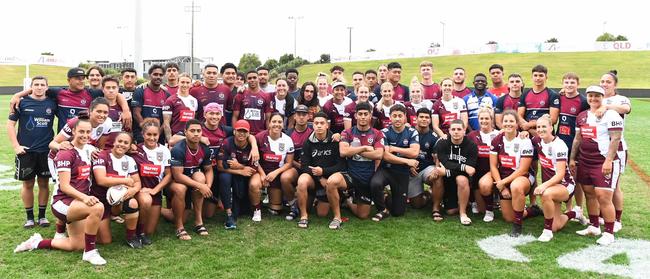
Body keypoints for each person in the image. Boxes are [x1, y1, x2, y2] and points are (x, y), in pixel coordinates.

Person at [14, 118, 106, 266]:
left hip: (78, 202)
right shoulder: (65, 153)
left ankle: (37, 242)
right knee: (97, 207)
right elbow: (64, 187)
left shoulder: (89, 149)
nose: (85, 134)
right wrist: (85, 198)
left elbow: (99, 154)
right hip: (62, 202)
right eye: (81, 131)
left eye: (88, 132)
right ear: (74, 131)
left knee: (76, 245)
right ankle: (90, 253)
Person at [571, 85, 623, 246]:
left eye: (597, 96)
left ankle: (609, 231)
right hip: (585, 160)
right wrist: (573, 158)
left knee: (603, 196)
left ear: (602, 97)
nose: (593, 99)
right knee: (589, 193)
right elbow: (578, 139)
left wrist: (608, 160)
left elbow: (615, 139)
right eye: (590, 96)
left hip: (603, 161)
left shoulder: (611, 114)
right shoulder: (581, 116)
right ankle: (594, 225)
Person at [10, 67, 131, 132]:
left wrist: (126, 110)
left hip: (84, 138)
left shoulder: (91, 93)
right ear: (69, 80)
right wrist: (18, 95)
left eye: (83, 78)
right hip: (64, 139)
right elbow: (38, 89)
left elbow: (115, 93)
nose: (81, 81)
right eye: (77, 78)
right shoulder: (59, 93)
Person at [8, 76, 57, 228]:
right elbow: (10, 125)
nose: (39, 87)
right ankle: (29, 217)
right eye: (36, 84)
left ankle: (42, 217)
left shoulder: (52, 103)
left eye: (42, 85)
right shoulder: (21, 102)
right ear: (31, 87)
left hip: (45, 151)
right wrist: (16, 146)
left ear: (47, 87)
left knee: (44, 183)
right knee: (28, 184)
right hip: (26, 151)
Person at [326, 102, 384, 227]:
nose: (363, 117)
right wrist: (365, 148)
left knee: (362, 215)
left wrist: (354, 151)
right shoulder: (347, 133)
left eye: (365, 114)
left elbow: (379, 155)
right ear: (355, 116)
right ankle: (337, 217)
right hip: (350, 174)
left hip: (367, 178)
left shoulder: (377, 134)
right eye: (360, 114)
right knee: (331, 182)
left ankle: (347, 200)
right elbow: (343, 152)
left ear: (370, 116)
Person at [481, 110, 535, 236]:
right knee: (508, 217)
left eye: (512, 121)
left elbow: (523, 169)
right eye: (506, 121)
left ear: (517, 124)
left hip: (523, 177)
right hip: (503, 177)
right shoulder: (497, 140)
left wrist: (502, 183)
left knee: (516, 186)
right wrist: (502, 187)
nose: (508, 124)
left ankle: (518, 225)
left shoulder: (524, 140)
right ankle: (532, 211)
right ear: (501, 123)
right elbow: (493, 166)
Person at [532, 114, 578, 242]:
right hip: (552, 186)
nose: (541, 129)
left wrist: (543, 185)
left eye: (544, 127)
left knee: (545, 194)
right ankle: (574, 213)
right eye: (538, 127)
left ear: (551, 127)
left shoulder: (559, 145)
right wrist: (523, 133)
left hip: (565, 184)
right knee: (555, 226)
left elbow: (560, 174)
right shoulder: (537, 141)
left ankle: (546, 232)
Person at [295, 112, 346, 228]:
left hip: (331, 179)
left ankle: (339, 199)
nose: (319, 126)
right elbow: (304, 166)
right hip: (315, 179)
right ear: (312, 125)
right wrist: (319, 177)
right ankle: (303, 217)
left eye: (322, 123)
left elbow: (341, 165)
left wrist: (323, 172)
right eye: (316, 123)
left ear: (327, 125)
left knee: (322, 214)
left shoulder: (335, 141)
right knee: (302, 181)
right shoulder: (308, 142)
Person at [370, 104, 419, 221]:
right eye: (394, 116)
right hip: (386, 169)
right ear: (390, 118)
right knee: (375, 184)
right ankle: (382, 209)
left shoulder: (412, 132)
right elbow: (386, 155)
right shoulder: (383, 132)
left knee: (398, 212)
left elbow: (415, 152)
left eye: (400, 116)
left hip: (401, 172)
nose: (397, 118)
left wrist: (395, 149)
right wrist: (407, 161)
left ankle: (386, 196)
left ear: (405, 117)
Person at [91, 132, 141, 248]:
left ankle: (131, 236)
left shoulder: (129, 160)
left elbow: (137, 182)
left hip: (117, 201)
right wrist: (124, 180)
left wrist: (133, 190)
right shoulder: (102, 156)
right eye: (119, 141)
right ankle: (82, 227)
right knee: (105, 240)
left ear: (129, 146)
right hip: (100, 202)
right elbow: (101, 180)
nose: (122, 145)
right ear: (114, 142)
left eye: (126, 143)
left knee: (133, 203)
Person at [551, 73, 589, 224]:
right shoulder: (559, 98)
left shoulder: (583, 101)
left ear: (578, 84)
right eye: (566, 82)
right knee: (562, 175)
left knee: (576, 178)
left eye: (572, 82)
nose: (569, 85)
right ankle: (568, 207)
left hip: (576, 144)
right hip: (561, 143)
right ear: (562, 84)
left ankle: (579, 209)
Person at [168, 119, 213, 240]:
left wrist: (207, 185)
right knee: (181, 188)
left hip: (192, 180)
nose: (196, 134)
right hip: (174, 182)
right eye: (192, 131)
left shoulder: (205, 148)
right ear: (185, 132)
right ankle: (179, 226)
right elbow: (178, 176)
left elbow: (208, 170)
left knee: (200, 176)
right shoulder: (178, 149)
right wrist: (201, 186)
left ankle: (198, 222)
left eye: (199, 131)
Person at [599, 70, 630, 232]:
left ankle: (617, 219)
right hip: (598, 150)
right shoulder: (597, 97)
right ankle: (600, 215)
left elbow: (626, 109)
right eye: (602, 81)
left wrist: (606, 106)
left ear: (615, 84)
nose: (604, 84)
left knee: (614, 185)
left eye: (608, 82)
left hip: (616, 148)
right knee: (599, 185)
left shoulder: (620, 99)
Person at [132, 119, 171, 244]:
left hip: (155, 191)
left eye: (155, 135)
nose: (152, 138)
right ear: (143, 135)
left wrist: (155, 190)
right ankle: (137, 232)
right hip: (139, 191)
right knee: (145, 201)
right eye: (149, 134)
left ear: (159, 135)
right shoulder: (135, 150)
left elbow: (169, 175)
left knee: (151, 231)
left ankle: (142, 226)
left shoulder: (164, 150)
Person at [249, 113, 295, 222]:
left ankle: (272, 197)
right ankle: (257, 209)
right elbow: (255, 159)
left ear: (283, 124)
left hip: (276, 174)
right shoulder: (260, 137)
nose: (277, 124)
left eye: (279, 122)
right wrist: (262, 174)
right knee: (254, 184)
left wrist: (275, 173)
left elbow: (289, 163)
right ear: (269, 123)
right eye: (274, 121)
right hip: (261, 172)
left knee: (275, 210)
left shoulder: (288, 140)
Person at [433, 120, 477, 225]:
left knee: (461, 179)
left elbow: (470, 170)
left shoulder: (471, 146)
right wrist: (463, 167)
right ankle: (437, 207)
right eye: (453, 129)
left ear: (464, 131)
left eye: (459, 129)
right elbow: (445, 163)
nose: (456, 132)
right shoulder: (442, 143)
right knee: (450, 211)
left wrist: (448, 172)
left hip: (463, 180)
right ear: (449, 131)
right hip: (447, 179)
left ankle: (463, 213)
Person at [217, 120, 258, 229]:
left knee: (241, 210)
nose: (242, 134)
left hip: (244, 176)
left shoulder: (252, 146)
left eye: (244, 131)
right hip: (230, 173)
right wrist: (240, 170)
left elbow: (253, 169)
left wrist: (240, 166)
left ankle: (240, 207)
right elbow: (220, 166)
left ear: (249, 134)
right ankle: (229, 214)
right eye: (239, 131)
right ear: (234, 132)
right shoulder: (227, 143)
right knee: (224, 177)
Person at [469, 108, 500, 222]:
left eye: (487, 118)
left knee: (485, 186)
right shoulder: (472, 135)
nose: (484, 121)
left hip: (493, 170)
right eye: (481, 118)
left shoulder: (498, 134)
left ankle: (490, 210)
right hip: (477, 172)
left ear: (492, 120)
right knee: (479, 210)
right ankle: (474, 201)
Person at [283, 105, 314, 220]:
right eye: (299, 114)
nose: (301, 117)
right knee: (285, 178)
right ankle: (293, 205)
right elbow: (286, 157)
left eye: (304, 114)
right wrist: (299, 165)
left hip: (310, 169)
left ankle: (308, 200)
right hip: (295, 166)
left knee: (318, 211)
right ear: (295, 116)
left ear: (308, 117)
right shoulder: (288, 134)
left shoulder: (313, 133)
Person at [407, 108, 439, 210]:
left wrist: (436, 168)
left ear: (430, 120)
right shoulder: (408, 132)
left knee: (437, 177)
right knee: (417, 205)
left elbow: (437, 157)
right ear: (416, 119)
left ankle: (437, 204)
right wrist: (409, 165)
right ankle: (428, 193)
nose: (424, 119)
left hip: (426, 168)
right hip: (411, 170)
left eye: (427, 117)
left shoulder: (434, 137)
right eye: (421, 117)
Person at [517, 64, 559, 137]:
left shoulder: (552, 95)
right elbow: (519, 116)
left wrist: (530, 125)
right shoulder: (525, 94)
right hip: (527, 134)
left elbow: (553, 119)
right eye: (535, 75)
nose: (538, 78)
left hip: (545, 134)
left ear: (546, 77)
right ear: (532, 77)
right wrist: (529, 128)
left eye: (541, 75)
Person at [132, 65, 170, 144]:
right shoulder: (140, 91)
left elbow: (167, 119)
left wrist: (158, 131)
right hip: (141, 133)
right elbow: (136, 114)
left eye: (160, 75)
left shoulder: (166, 94)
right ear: (149, 76)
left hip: (159, 134)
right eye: (155, 74)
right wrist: (147, 129)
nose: (158, 77)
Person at [232, 71, 273, 135]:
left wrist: (268, 134)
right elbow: (235, 117)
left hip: (260, 133)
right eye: (249, 78)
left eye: (254, 78)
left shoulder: (266, 96)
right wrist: (235, 131)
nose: (252, 80)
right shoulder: (240, 95)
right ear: (246, 80)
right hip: (243, 133)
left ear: (258, 79)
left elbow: (268, 119)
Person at [163, 73, 198, 141]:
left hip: (190, 137)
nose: (185, 85)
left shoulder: (194, 100)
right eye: (182, 82)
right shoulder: (170, 100)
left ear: (191, 84)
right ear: (178, 83)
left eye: (187, 82)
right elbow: (166, 124)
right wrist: (170, 140)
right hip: (176, 137)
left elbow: (194, 120)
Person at [100, 76, 128, 150]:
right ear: (103, 89)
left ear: (118, 89)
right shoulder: (97, 107)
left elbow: (128, 130)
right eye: (108, 88)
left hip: (120, 149)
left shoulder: (124, 109)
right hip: (102, 149)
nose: (111, 90)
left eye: (114, 87)